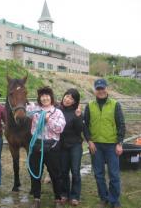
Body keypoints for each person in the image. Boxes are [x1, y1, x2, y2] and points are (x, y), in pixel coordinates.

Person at [83, 79, 125, 208]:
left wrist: (119, 143)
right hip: (96, 145)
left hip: (112, 144)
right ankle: (103, 198)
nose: (101, 91)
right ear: (95, 90)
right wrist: (89, 141)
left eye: (103, 88)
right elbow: (85, 125)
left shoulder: (115, 104)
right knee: (99, 174)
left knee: (114, 174)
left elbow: (121, 125)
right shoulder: (90, 105)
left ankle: (114, 200)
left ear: (107, 89)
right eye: (98, 89)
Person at [26, 86, 66, 208]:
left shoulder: (57, 112)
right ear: (39, 98)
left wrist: (48, 119)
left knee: (55, 174)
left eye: (47, 95)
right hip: (36, 145)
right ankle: (37, 199)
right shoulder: (35, 110)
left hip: (52, 147)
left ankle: (57, 199)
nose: (44, 98)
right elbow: (24, 109)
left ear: (51, 97)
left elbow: (60, 128)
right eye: (42, 96)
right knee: (35, 173)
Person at [59, 88, 83, 206]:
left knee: (75, 171)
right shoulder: (58, 110)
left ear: (74, 102)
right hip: (62, 146)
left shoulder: (77, 112)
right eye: (67, 96)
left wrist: (78, 117)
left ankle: (75, 195)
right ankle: (64, 193)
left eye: (71, 98)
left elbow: (79, 130)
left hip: (75, 145)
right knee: (63, 171)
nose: (67, 99)